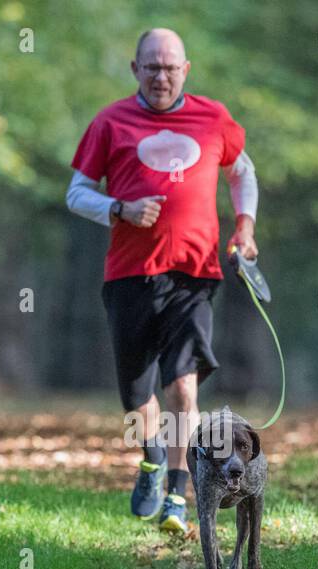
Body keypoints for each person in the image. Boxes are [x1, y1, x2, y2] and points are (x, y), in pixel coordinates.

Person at [66, 27, 259, 534]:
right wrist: (119, 208)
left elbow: (242, 171)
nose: (161, 76)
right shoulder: (110, 122)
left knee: (183, 385)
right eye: (151, 67)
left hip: (194, 274)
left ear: (186, 70)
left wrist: (244, 226)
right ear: (135, 70)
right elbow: (76, 192)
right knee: (137, 397)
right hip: (130, 275)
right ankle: (150, 457)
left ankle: (177, 492)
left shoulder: (212, 117)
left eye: (171, 67)